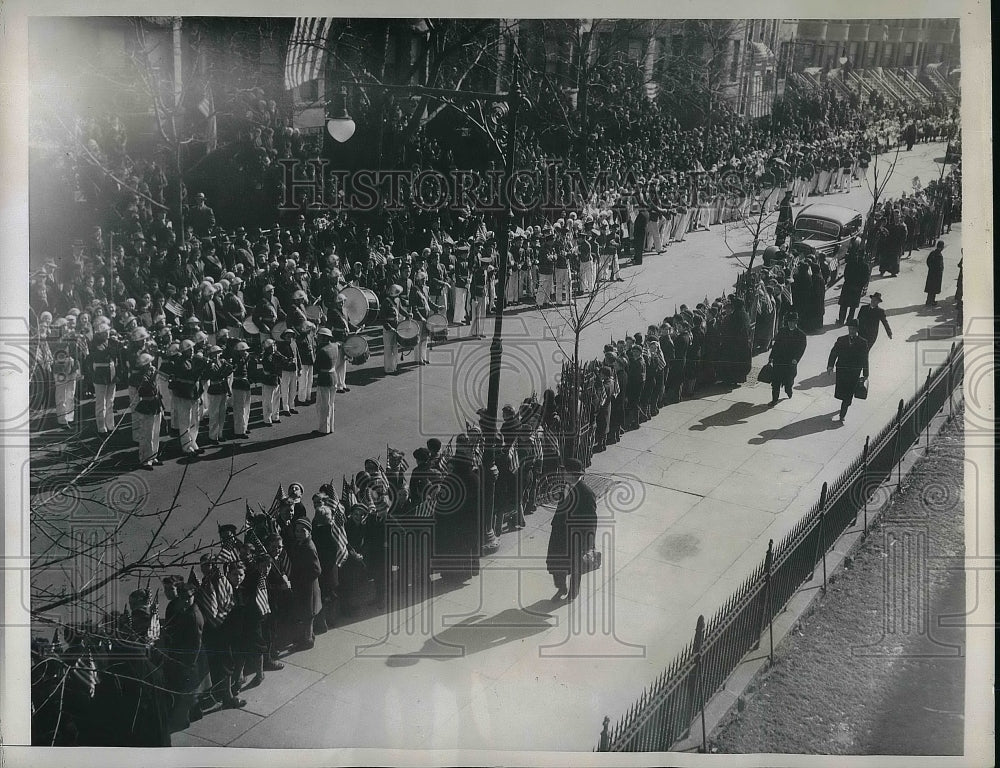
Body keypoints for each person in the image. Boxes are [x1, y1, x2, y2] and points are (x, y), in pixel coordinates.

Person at [545, 458, 598, 601]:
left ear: (572, 473)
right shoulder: (567, 485)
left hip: (575, 537)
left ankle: (573, 593)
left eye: (564, 470)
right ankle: (561, 587)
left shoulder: (586, 493)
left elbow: (592, 520)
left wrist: (589, 544)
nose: (562, 472)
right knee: (556, 562)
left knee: (575, 566)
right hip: (560, 532)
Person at [287, 517, 323, 651]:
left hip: (308, 588)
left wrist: (302, 579)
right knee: (305, 613)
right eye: (297, 531)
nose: (299, 533)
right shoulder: (300, 543)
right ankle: (308, 636)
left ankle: (307, 641)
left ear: (309, 532)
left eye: (303, 531)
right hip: (303, 587)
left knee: (308, 615)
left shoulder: (309, 547)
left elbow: (317, 570)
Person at [827, 318, 870, 423]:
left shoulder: (862, 342)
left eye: (853, 329)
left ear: (857, 330)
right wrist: (830, 366)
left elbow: (865, 358)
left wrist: (865, 373)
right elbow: (834, 353)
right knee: (842, 392)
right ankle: (846, 403)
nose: (851, 331)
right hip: (842, 371)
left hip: (854, 372)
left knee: (848, 393)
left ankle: (843, 413)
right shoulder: (841, 340)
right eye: (850, 328)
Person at [169, 339, 204, 457]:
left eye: (193, 348)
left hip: (193, 393)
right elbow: (190, 375)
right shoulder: (180, 362)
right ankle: (186, 445)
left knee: (195, 419)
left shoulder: (190, 360)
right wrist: (201, 367)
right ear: (184, 351)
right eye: (190, 349)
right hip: (184, 394)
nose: (192, 351)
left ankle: (193, 443)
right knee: (185, 421)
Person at [129, 352, 164, 468]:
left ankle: (153, 456)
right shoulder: (139, 376)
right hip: (146, 404)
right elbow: (143, 386)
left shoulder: (154, 372)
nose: (151, 366)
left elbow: (157, 388)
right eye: (148, 364)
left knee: (155, 432)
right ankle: (145, 458)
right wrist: (149, 374)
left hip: (155, 403)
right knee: (146, 434)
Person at [767, 312, 807, 406]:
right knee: (775, 382)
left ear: (796, 322)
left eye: (793, 322)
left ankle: (788, 390)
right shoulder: (782, 331)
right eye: (789, 322)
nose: (791, 324)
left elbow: (801, 349)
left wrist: (796, 359)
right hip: (779, 361)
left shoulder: (801, 335)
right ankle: (774, 400)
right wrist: (771, 357)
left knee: (788, 381)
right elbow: (776, 346)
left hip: (790, 362)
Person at [837, 244, 869, 325]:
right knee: (852, 307)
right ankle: (849, 321)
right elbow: (865, 278)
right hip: (857, 289)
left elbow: (846, 274)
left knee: (844, 305)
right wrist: (860, 286)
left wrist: (849, 283)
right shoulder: (865, 266)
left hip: (848, 287)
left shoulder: (851, 263)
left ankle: (841, 320)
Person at [312, 327, 336, 434]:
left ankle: (323, 429)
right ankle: (330, 427)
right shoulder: (335, 346)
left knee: (323, 405)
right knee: (331, 403)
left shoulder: (322, 351)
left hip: (324, 378)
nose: (318, 338)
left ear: (325, 338)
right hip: (333, 377)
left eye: (320, 337)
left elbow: (316, 368)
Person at [229, 341, 255, 439]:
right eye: (243, 351)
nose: (245, 352)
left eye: (245, 350)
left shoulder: (244, 358)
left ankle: (244, 427)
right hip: (238, 384)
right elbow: (238, 367)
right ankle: (239, 430)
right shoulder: (236, 359)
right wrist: (246, 359)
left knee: (246, 408)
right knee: (239, 409)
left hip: (245, 383)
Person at [925, 240, 945, 306]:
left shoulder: (933, 253)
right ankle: (931, 301)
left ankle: (929, 301)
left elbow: (928, 261)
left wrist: (930, 268)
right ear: (942, 247)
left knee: (931, 289)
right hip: (936, 275)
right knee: (933, 289)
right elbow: (939, 266)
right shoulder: (939, 255)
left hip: (931, 273)